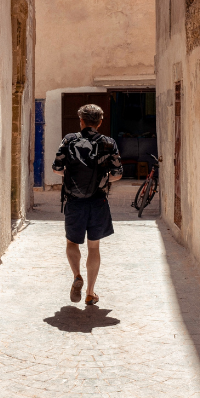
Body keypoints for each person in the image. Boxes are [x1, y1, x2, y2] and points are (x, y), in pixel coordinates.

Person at [51, 104, 124, 305]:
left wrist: (72, 174)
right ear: (100, 122)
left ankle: (77, 275)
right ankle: (90, 292)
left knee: (72, 243)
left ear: (81, 121)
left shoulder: (69, 140)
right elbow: (117, 174)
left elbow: (57, 168)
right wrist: (100, 179)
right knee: (94, 247)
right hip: (98, 201)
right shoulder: (108, 143)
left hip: (74, 201)